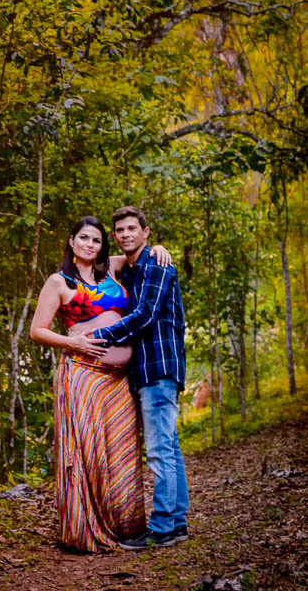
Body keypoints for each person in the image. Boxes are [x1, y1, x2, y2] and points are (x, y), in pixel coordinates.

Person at [29, 215, 173, 552]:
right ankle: (84, 529)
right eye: (84, 238)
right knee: (88, 452)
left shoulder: (111, 269)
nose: (90, 245)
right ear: (71, 240)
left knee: (121, 451)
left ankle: (126, 527)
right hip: (82, 374)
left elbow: (141, 251)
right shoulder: (58, 281)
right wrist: (73, 343)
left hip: (118, 380)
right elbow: (37, 330)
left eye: (96, 240)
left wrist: (161, 248)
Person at [82, 206, 189, 550]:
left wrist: (101, 336)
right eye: (120, 230)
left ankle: (161, 529)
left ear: (145, 231)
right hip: (146, 370)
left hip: (159, 367)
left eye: (132, 229)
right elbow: (100, 260)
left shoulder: (158, 266)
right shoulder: (133, 268)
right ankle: (177, 523)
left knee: (159, 451)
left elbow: (144, 316)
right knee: (169, 446)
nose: (126, 234)